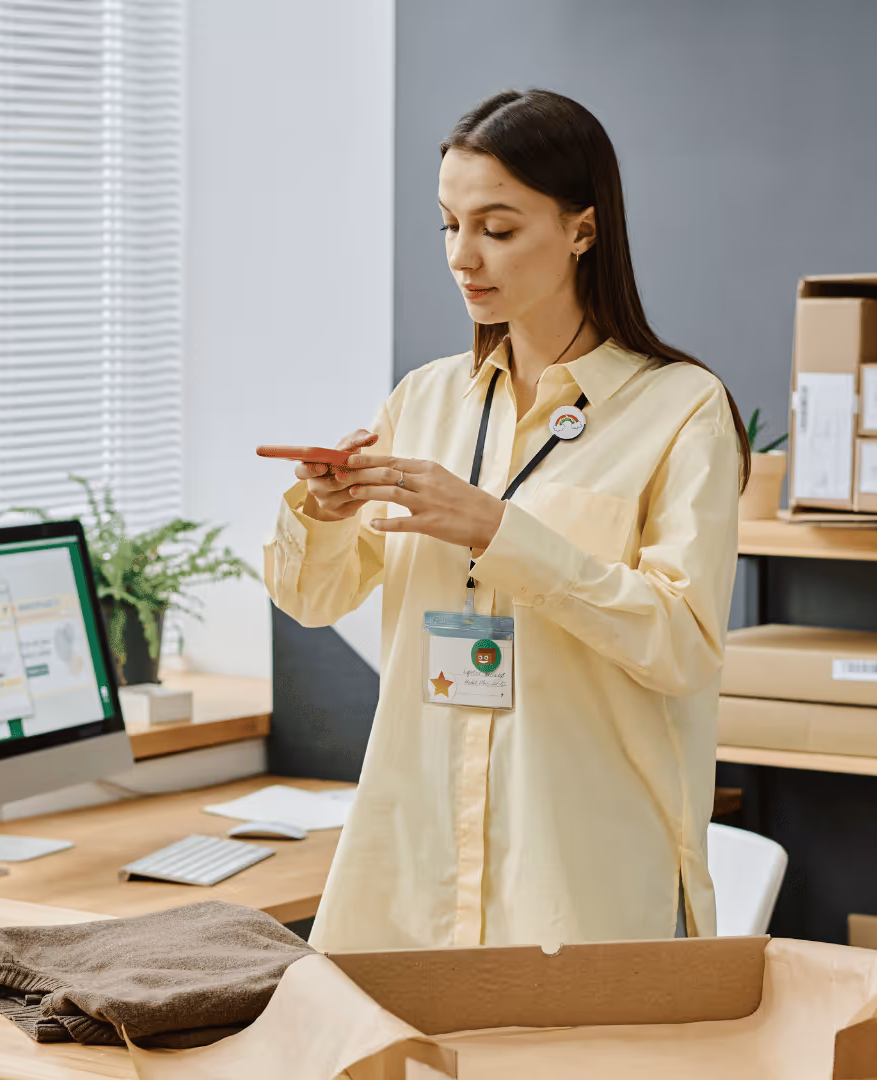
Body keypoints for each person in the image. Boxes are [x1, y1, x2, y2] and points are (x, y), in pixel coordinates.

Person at [264, 88, 748, 950]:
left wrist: (499, 532)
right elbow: (313, 600)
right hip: (413, 864)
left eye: (497, 227)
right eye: (448, 225)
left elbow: (684, 643)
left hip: (578, 875)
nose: (463, 256)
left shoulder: (681, 409)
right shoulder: (426, 398)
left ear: (582, 231)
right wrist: (325, 509)